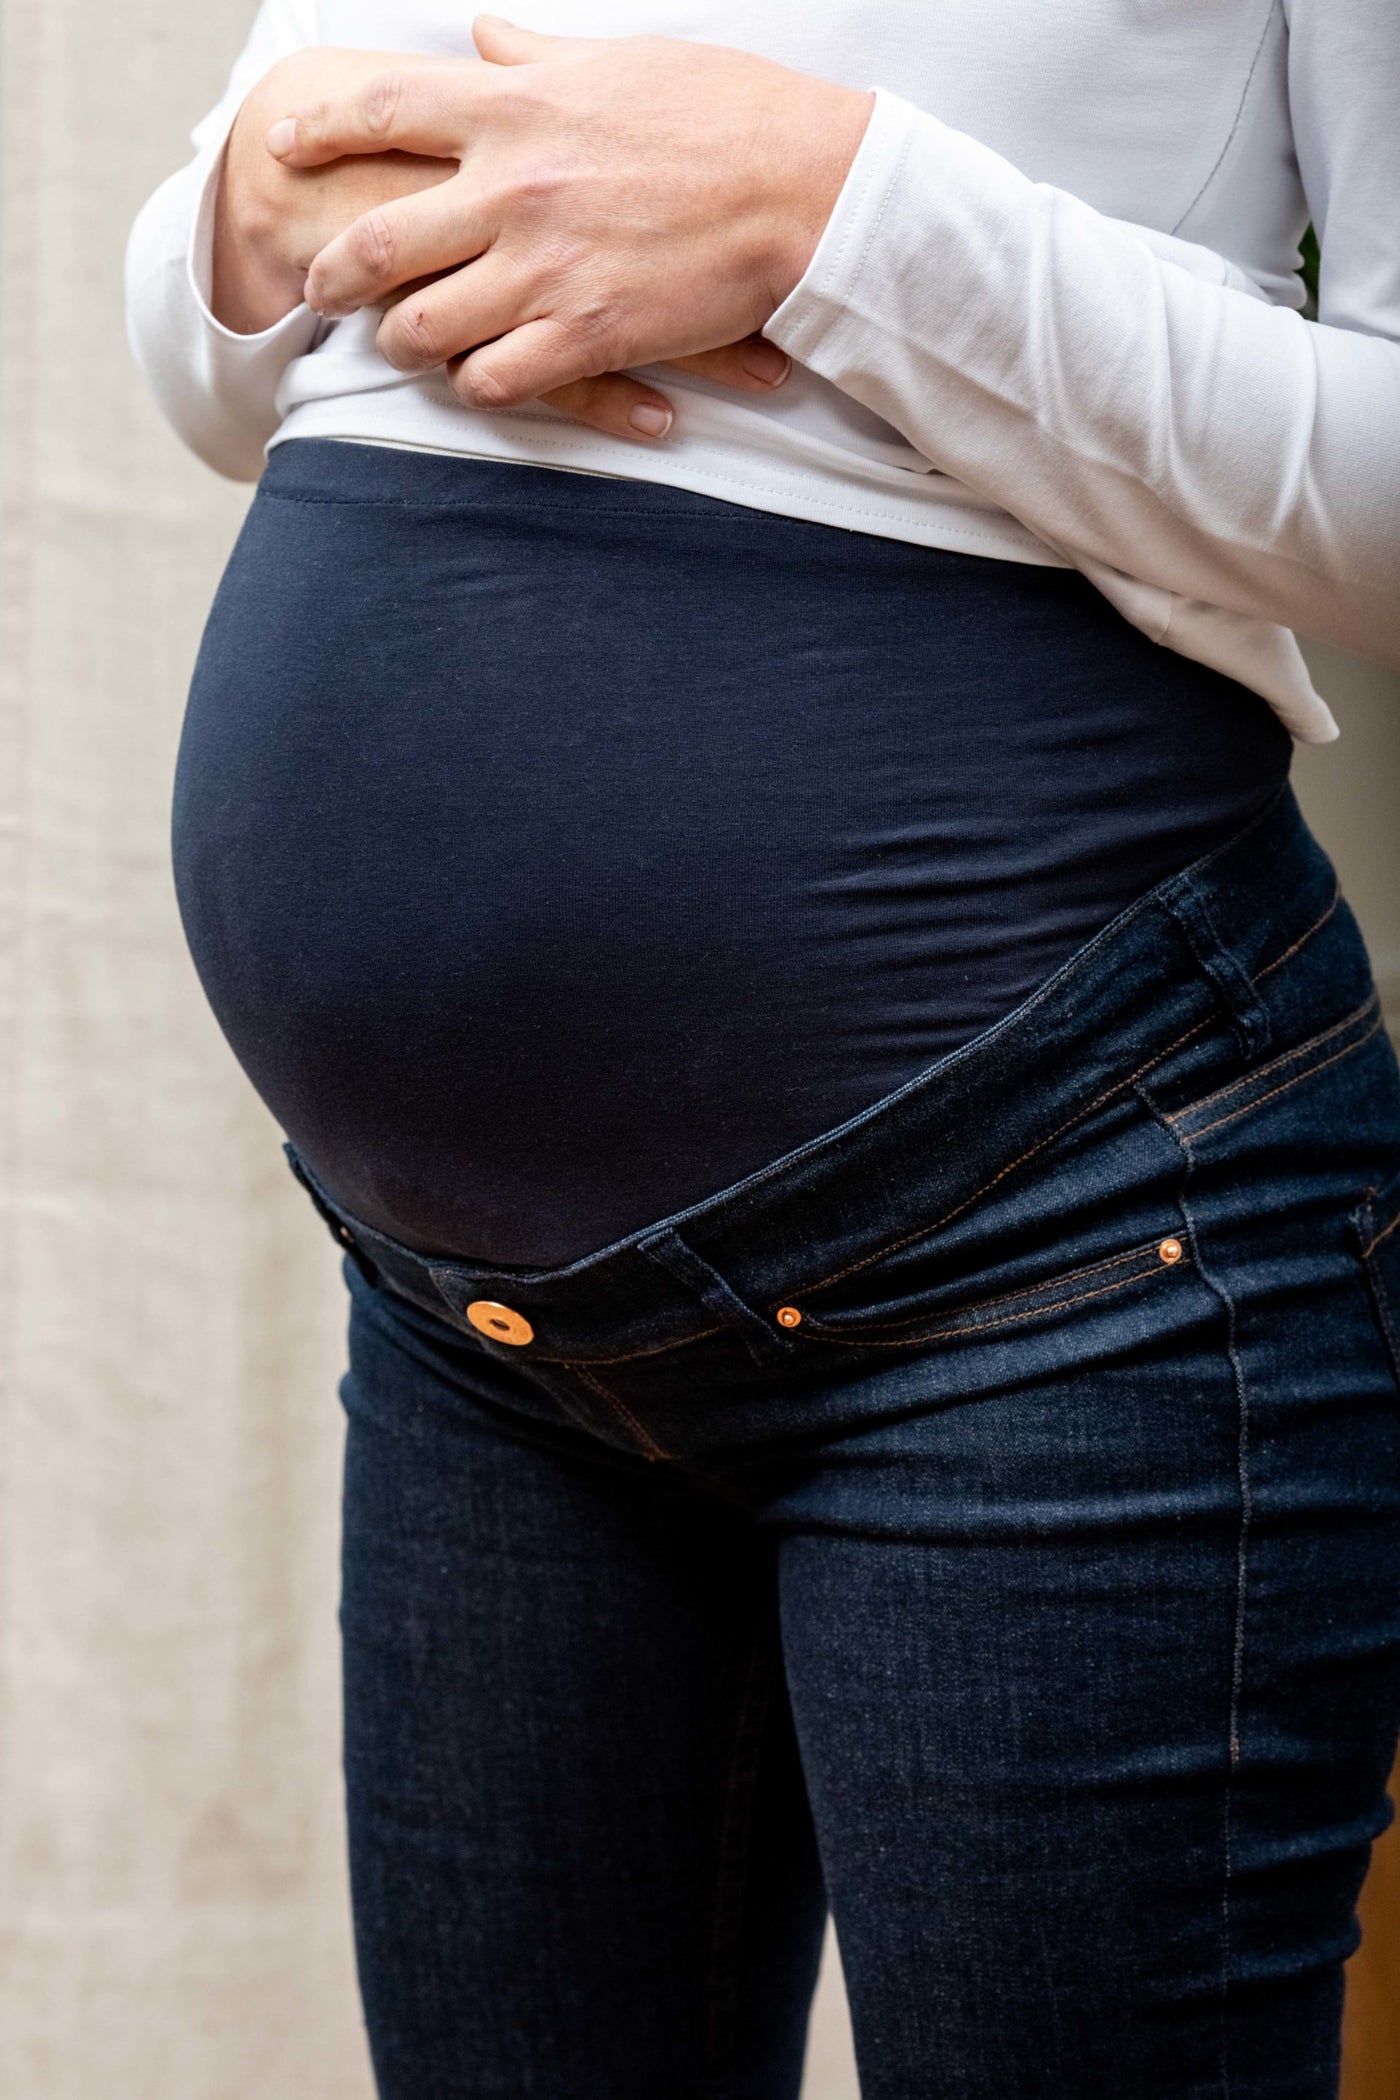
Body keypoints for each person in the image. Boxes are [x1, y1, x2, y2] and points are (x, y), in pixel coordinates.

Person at [126, 7, 1400, 2095]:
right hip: (482, 1333)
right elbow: (222, 371)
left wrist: (845, 218)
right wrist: (244, 215)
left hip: (1062, 1260)